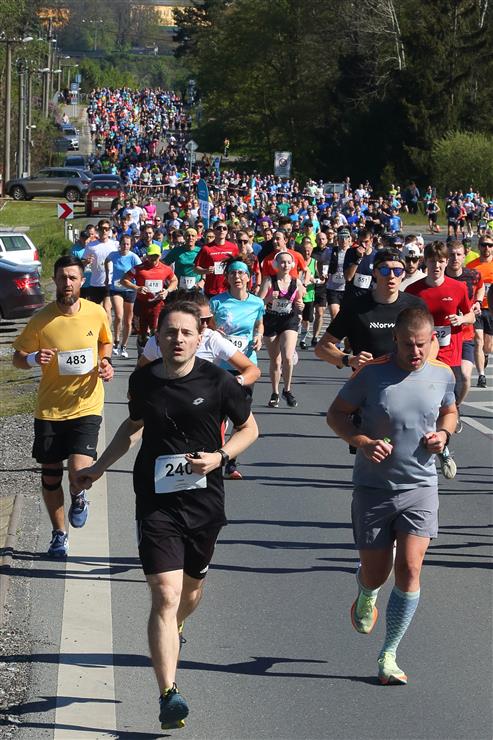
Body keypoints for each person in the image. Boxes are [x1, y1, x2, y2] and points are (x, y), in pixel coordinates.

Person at [75, 301, 258, 731]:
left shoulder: (218, 381)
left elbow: (250, 428)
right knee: (165, 593)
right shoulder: (143, 381)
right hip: (155, 501)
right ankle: (168, 694)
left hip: (204, 503)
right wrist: (98, 468)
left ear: (200, 337)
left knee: (190, 592)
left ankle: (174, 628)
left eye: (186, 332)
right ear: (157, 337)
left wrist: (220, 457)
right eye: (170, 332)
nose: (178, 339)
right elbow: (132, 427)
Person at [327, 306, 457, 685]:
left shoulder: (442, 374)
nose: (415, 352)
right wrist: (362, 442)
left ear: (432, 341)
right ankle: (367, 590)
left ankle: (389, 654)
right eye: (408, 345)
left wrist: (443, 435)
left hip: (420, 487)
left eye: (422, 344)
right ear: (396, 340)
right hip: (373, 489)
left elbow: (450, 412)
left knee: (411, 568)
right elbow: (336, 414)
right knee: (376, 571)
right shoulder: (371, 374)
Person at [12, 255, 114, 557]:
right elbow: (18, 357)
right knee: (50, 475)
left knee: (78, 472)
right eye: (62, 277)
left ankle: (79, 493)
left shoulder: (96, 313)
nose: (67, 283)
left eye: (72, 278)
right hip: (50, 409)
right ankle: (59, 534)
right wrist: (33, 358)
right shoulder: (42, 319)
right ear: (54, 280)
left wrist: (105, 362)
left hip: (86, 405)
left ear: (82, 281)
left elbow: (105, 343)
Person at [405, 241, 474, 475]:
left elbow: (470, 315)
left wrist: (461, 320)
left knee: (445, 406)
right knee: (424, 405)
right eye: (432, 261)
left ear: (446, 263)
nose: (436, 266)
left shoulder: (458, 288)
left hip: (449, 354)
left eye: (441, 261)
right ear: (425, 262)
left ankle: (443, 446)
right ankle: (429, 451)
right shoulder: (413, 291)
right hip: (421, 355)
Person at [209, 259, 264, 479]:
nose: (237, 277)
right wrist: (215, 332)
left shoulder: (257, 303)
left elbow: (259, 324)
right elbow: (207, 325)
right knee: (219, 415)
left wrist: (259, 336)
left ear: (248, 277)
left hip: (246, 365)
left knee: (240, 416)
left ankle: (231, 462)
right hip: (221, 365)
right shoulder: (216, 302)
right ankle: (215, 456)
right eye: (233, 273)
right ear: (227, 277)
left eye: (241, 273)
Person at [445, 240, 484, 425]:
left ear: (464, 256)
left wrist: (478, 302)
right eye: (451, 254)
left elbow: (481, 287)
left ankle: (456, 406)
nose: (455, 258)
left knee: (465, 377)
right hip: (445, 336)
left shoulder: (472, 275)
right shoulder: (440, 275)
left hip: (466, 334)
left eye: (458, 254)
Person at [259, 251, 305, 408]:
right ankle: (275, 393)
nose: (285, 265)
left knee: (288, 357)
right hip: (271, 320)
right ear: (276, 265)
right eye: (282, 262)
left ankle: (287, 390)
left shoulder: (296, 282)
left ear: (292, 265)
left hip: (288, 320)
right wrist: (269, 299)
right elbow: (258, 303)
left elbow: (300, 302)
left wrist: (301, 306)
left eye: (288, 262)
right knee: (275, 360)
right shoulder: (269, 281)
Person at [121, 245, 178, 351]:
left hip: (157, 305)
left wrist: (167, 291)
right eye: (151, 256)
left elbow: (174, 280)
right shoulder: (138, 268)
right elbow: (124, 280)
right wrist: (137, 288)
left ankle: (155, 355)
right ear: (147, 255)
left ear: (160, 256)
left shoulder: (166, 269)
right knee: (142, 334)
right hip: (141, 304)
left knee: (156, 332)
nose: (153, 259)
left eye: (156, 256)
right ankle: (141, 354)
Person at [105, 235, 141, 358]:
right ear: (119, 244)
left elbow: (140, 270)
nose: (125, 246)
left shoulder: (133, 257)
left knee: (128, 321)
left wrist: (137, 285)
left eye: (127, 244)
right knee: (119, 316)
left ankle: (123, 345)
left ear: (130, 245)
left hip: (130, 290)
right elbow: (106, 261)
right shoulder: (114, 255)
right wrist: (107, 276)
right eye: (123, 244)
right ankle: (116, 341)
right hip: (116, 289)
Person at [467, 234, 493, 387]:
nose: (486, 248)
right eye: (483, 245)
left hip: (491, 309)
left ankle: (486, 355)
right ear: (479, 247)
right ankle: (481, 375)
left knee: (487, 346)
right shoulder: (471, 266)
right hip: (477, 308)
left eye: (490, 245)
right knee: (478, 340)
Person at [83, 219, 118, 324]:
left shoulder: (115, 245)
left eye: (106, 229)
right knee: (96, 311)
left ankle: (108, 332)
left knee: (107, 309)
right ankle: (97, 331)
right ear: (98, 230)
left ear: (109, 230)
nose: (104, 231)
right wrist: (86, 261)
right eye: (102, 228)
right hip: (95, 282)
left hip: (109, 282)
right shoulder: (91, 246)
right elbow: (82, 263)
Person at [194, 222, 239, 297]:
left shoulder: (233, 248)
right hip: (211, 290)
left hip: (229, 289)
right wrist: (206, 271)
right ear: (214, 231)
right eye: (219, 228)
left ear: (227, 231)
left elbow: (238, 266)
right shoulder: (206, 248)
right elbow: (195, 268)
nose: (222, 230)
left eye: (224, 228)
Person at [162, 228, 202, 292]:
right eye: (188, 235)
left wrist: (202, 282)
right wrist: (172, 281)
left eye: (193, 236)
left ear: (196, 238)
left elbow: (206, 268)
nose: (190, 238)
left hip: (196, 288)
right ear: (184, 237)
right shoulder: (177, 250)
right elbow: (164, 264)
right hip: (180, 288)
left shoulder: (201, 251)